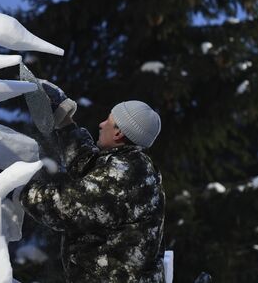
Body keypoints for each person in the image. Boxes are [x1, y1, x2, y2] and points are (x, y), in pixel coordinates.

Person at [20, 81, 165, 282]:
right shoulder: (132, 166)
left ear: (118, 133)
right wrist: (64, 121)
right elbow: (88, 165)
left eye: (108, 120)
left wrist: (17, 186)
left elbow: (66, 208)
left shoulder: (125, 175)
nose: (101, 124)